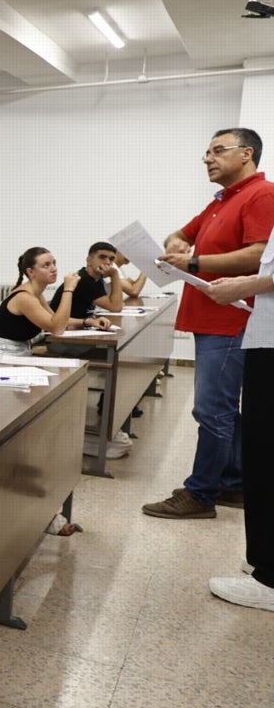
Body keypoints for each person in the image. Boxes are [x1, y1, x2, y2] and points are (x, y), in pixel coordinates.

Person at [143, 127, 274, 520]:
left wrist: (195, 262)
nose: (207, 158)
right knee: (222, 410)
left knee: (211, 410)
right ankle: (234, 482)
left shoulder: (261, 195)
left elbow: (258, 255)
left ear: (246, 154)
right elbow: (181, 234)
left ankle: (200, 493)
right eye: (206, 151)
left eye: (218, 150)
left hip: (231, 316)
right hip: (210, 315)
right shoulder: (222, 200)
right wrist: (177, 244)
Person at [199, 250, 274, 610]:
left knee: (265, 452)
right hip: (265, 336)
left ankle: (270, 578)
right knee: (259, 450)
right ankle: (264, 558)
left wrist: (250, 284)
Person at [0, 246, 112, 364]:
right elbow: (57, 328)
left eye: (54, 263)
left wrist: (88, 322)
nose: (53, 268)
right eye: (46, 265)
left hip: (20, 350)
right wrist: (68, 290)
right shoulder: (25, 297)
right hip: (3, 354)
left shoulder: (37, 294)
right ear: (31, 272)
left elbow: (59, 320)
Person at [47, 241, 124, 318]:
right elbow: (116, 307)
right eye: (102, 257)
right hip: (62, 327)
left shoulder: (95, 277)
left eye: (111, 259)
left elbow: (117, 305)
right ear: (89, 260)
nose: (108, 262)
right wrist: (114, 275)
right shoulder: (84, 280)